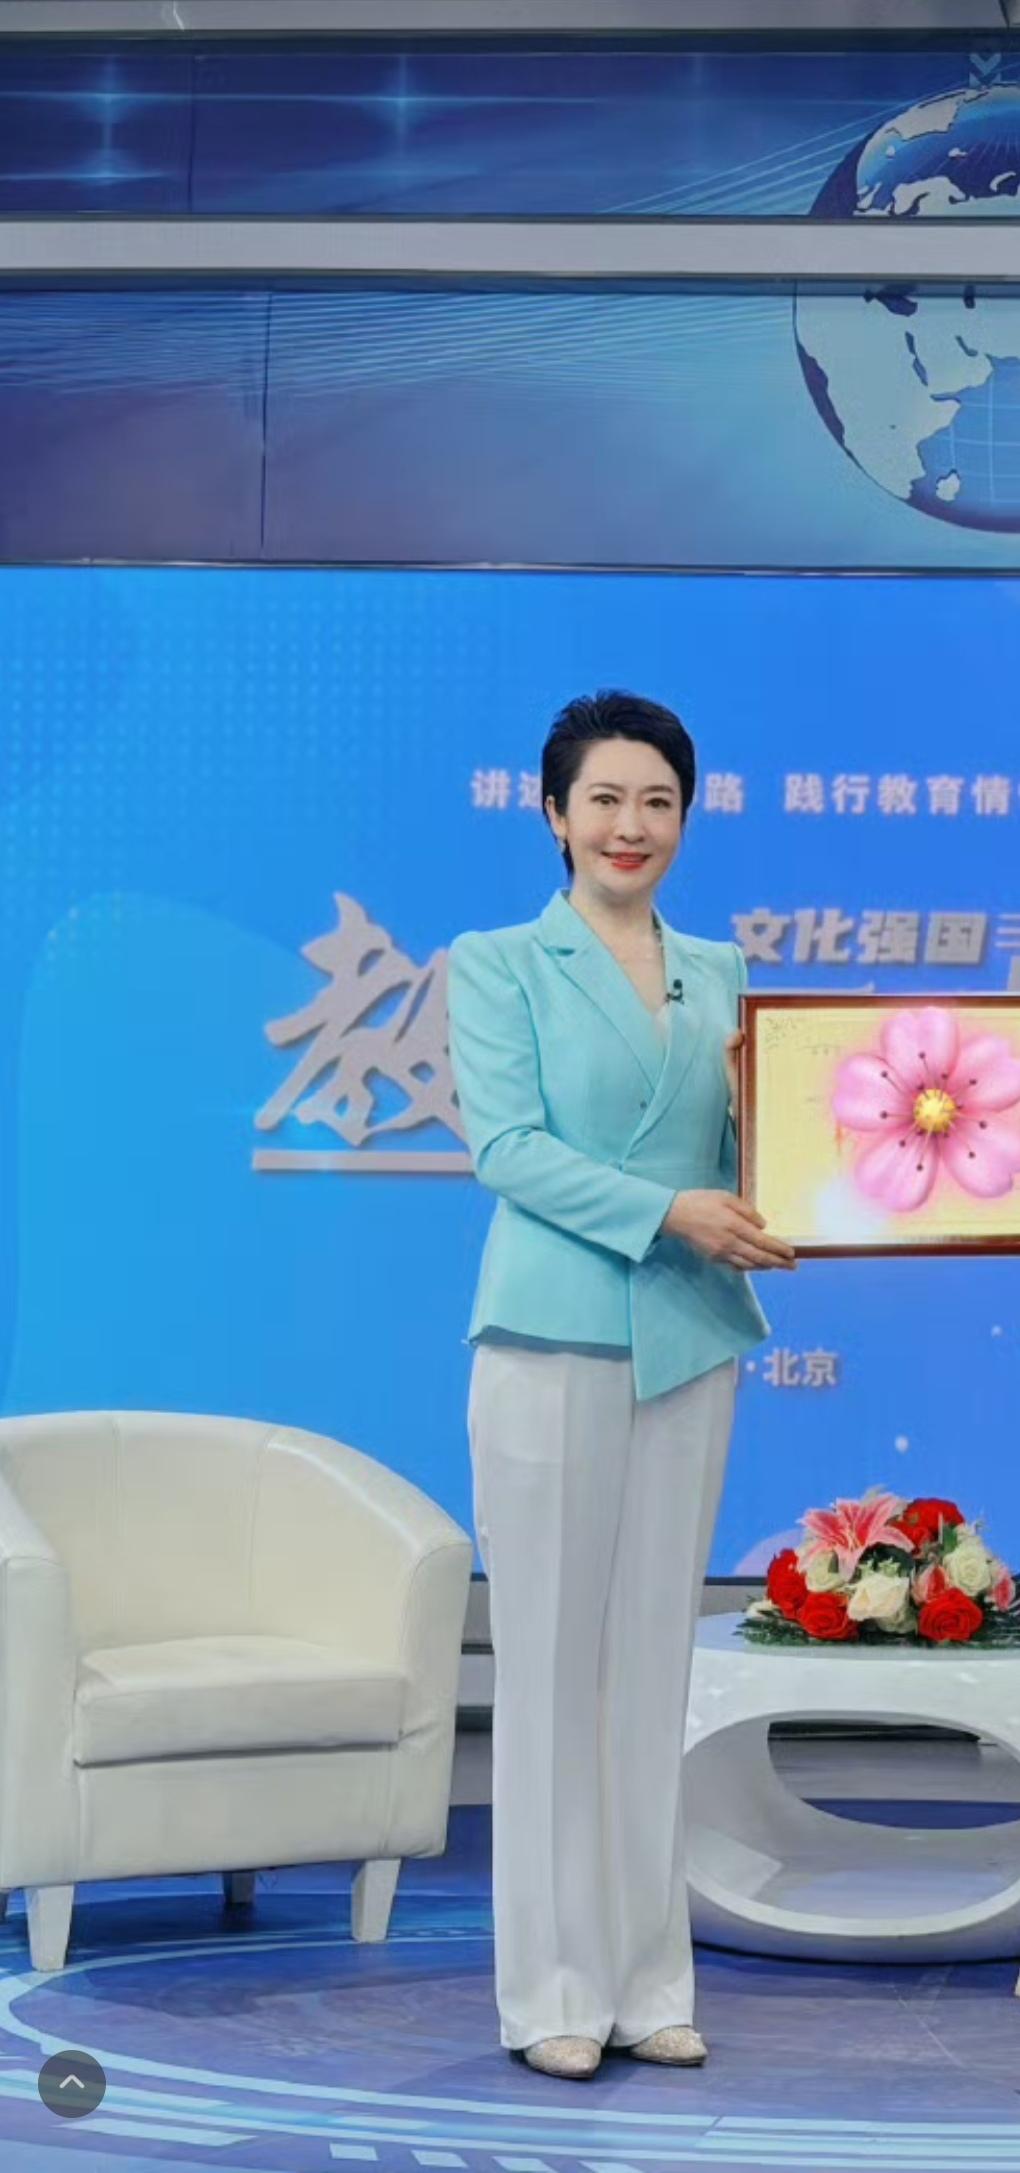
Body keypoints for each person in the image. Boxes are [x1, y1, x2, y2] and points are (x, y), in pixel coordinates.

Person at [447, 688, 795, 2083]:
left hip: (690, 1339)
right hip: (551, 1335)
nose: (630, 825)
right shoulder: (498, 963)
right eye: (604, 799)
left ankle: (652, 1982)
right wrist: (670, 1214)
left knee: (652, 1669)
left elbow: (755, 1142)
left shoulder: (720, 969)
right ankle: (551, 1991)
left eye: (657, 801)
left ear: (685, 817)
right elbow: (508, 1149)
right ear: (554, 813)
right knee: (546, 1674)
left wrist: (825, 1166)